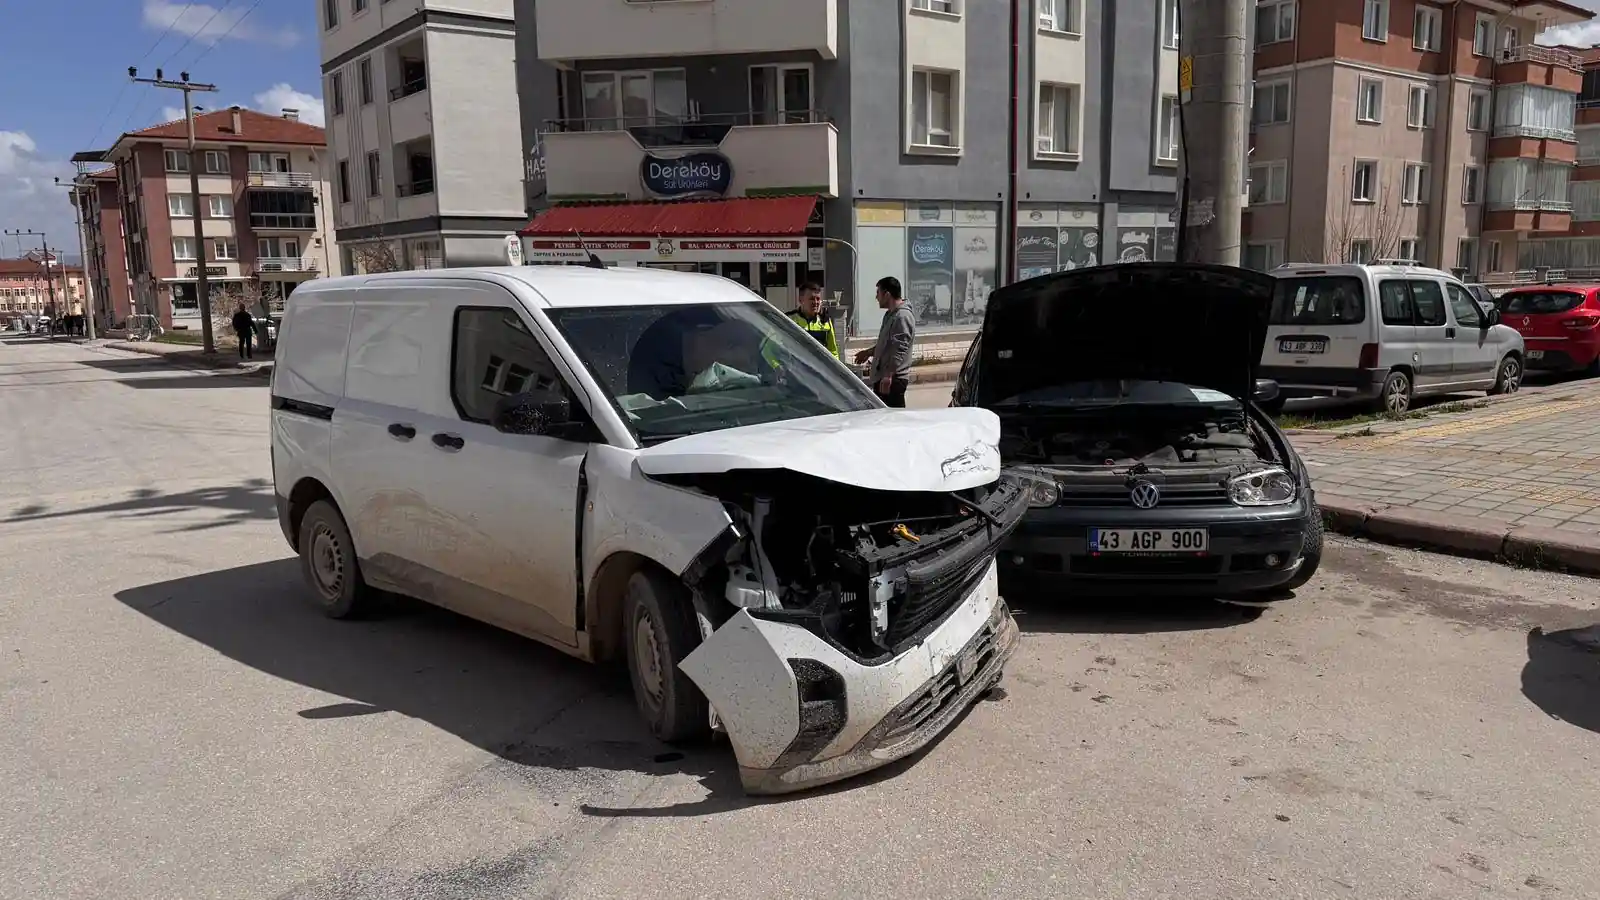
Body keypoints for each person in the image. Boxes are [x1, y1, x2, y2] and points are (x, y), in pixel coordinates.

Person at [854, 276, 914, 408]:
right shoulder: (890, 315)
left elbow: (899, 349)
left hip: (893, 380)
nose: (876, 297)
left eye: (878, 293)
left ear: (887, 295)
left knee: (893, 421)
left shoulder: (902, 316)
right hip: (884, 378)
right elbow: (886, 345)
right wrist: (868, 353)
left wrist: (888, 375)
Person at [787, 281, 841, 361]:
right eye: (812, 299)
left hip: (819, 371)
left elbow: (833, 352)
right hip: (796, 371)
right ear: (801, 300)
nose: (816, 302)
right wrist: (777, 367)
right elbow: (771, 348)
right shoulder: (789, 320)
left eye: (818, 299)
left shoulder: (825, 321)